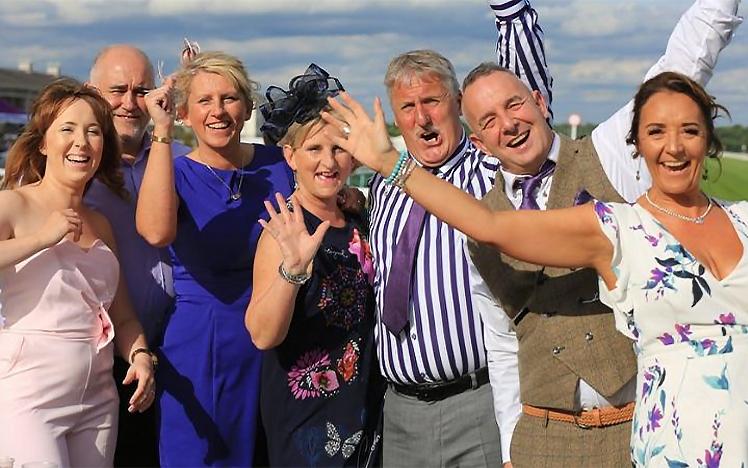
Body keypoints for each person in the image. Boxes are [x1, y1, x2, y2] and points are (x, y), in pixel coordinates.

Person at [326, 70, 748, 467]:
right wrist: (391, 163)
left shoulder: (744, 221)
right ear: (636, 143)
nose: (673, 146)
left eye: (689, 130)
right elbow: (490, 226)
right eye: (655, 132)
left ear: (707, 137)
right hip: (669, 445)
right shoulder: (619, 227)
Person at [135, 51, 294, 466]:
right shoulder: (174, 170)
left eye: (229, 98)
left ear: (247, 106)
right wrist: (162, 131)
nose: (218, 111)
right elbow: (155, 232)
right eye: (204, 101)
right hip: (203, 342)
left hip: (280, 336)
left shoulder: (280, 164)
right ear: (185, 112)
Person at [0, 78, 155, 467]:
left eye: (93, 132)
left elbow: (123, 315)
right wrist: (41, 238)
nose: (81, 142)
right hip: (28, 395)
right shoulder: (12, 204)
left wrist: (139, 356)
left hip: (99, 398)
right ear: (43, 142)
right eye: (67, 129)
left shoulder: (101, 224)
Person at [246, 64, 382, 467]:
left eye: (338, 148)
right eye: (314, 149)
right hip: (305, 416)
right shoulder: (282, 231)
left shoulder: (358, 217)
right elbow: (262, 335)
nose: (328, 161)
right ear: (290, 155)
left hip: (365, 406)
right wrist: (293, 270)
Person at [85, 44, 191, 467]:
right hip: (100, 365)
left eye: (140, 90)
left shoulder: (181, 161)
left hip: (176, 353)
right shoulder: (71, 166)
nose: (130, 102)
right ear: (93, 92)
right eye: (117, 90)